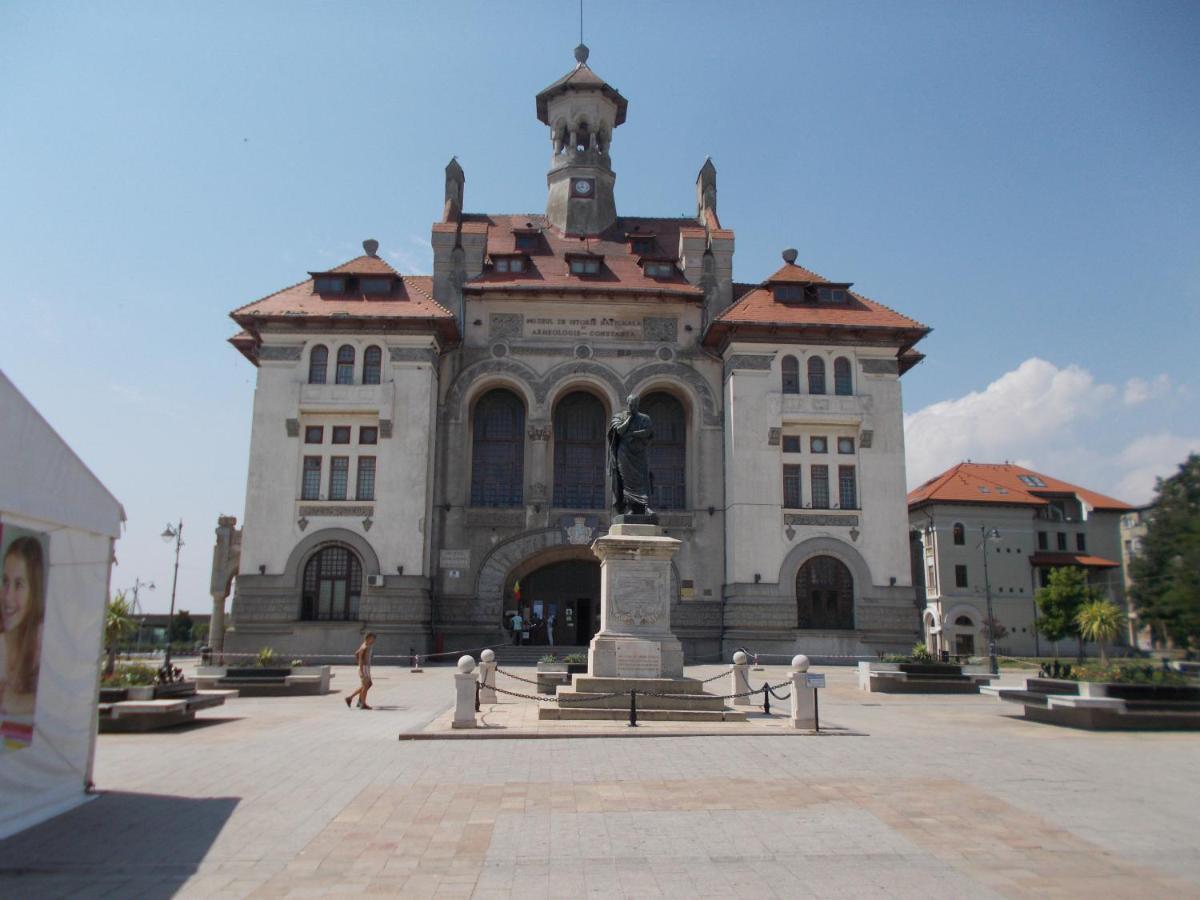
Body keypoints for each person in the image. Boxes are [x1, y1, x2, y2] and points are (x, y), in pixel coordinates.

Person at [1, 537, 45, 746]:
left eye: (19, 584)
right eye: (5, 581)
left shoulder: (42, 637)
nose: (8, 596)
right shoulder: (3, 642)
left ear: (33, 590)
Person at [344, 632, 376, 710]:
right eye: (373, 638)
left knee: (367, 685)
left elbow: (356, 654)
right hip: (364, 668)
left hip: (366, 667)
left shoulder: (367, 645)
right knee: (365, 686)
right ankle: (362, 703)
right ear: (368, 638)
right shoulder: (364, 647)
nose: (374, 640)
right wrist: (361, 670)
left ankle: (351, 698)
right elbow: (360, 658)